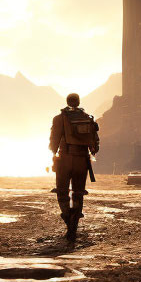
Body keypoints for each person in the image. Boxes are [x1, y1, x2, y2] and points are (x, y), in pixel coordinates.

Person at [49, 93, 99, 241]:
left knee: (62, 192)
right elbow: (95, 145)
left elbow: (53, 142)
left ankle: (68, 220)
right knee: (78, 193)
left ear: (67, 101)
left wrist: (54, 152)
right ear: (78, 102)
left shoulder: (59, 118)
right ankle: (74, 225)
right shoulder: (88, 118)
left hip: (64, 160)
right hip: (82, 161)